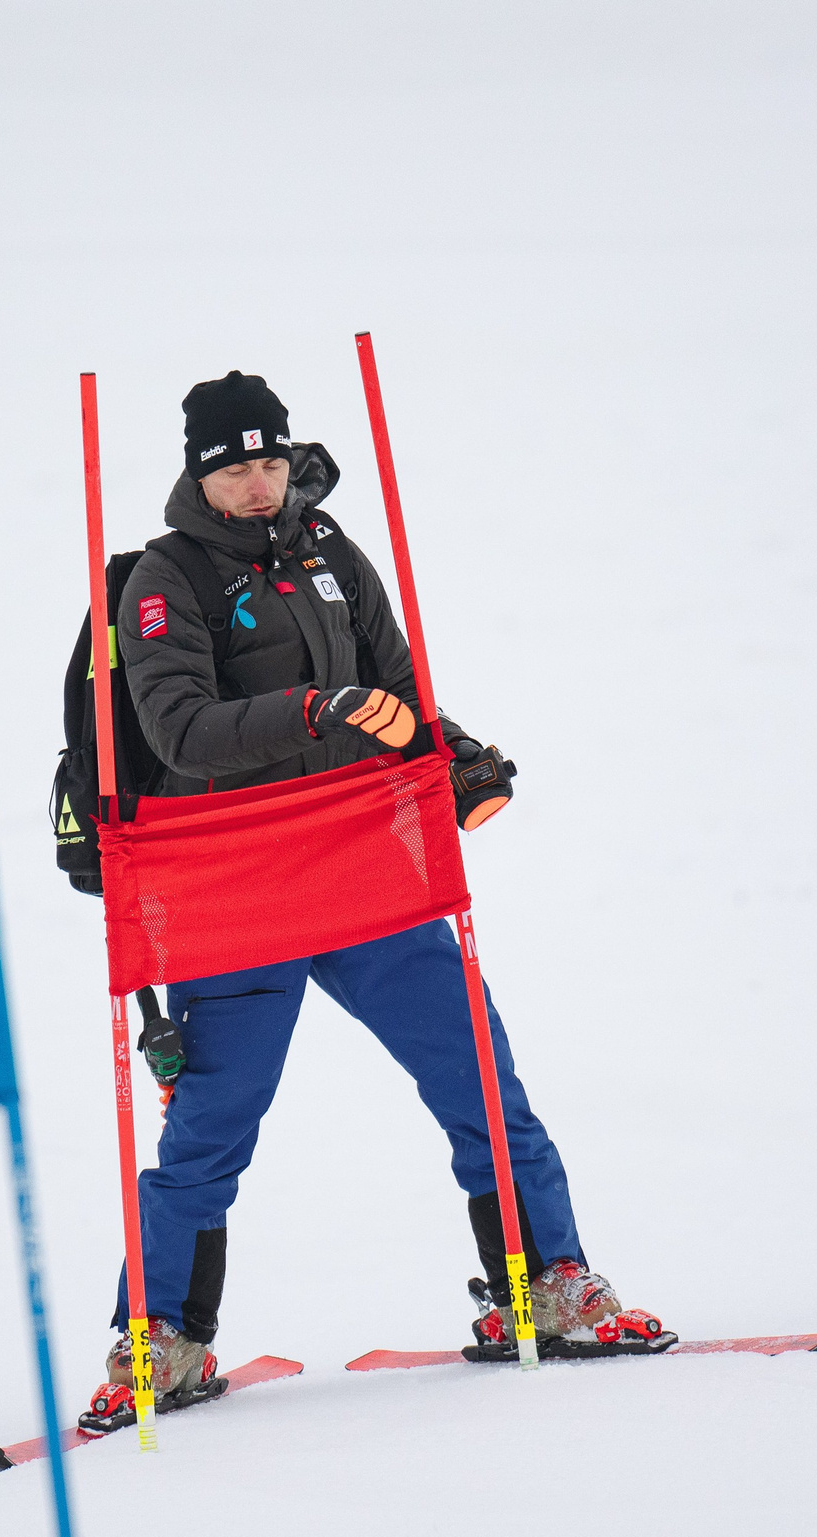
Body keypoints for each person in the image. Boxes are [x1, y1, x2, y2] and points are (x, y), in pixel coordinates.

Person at [80, 371, 670, 1431]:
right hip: (242, 882)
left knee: (480, 1076)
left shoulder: (330, 550)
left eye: (269, 462)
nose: (259, 485)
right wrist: (316, 707)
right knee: (209, 1133)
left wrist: (457, 755)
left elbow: (394, 687)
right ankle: (156, 1345)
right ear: (198, 474)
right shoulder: (162, 582)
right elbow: (177, 731)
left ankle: (549, 1285)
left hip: (365, 867)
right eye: (234, 469)